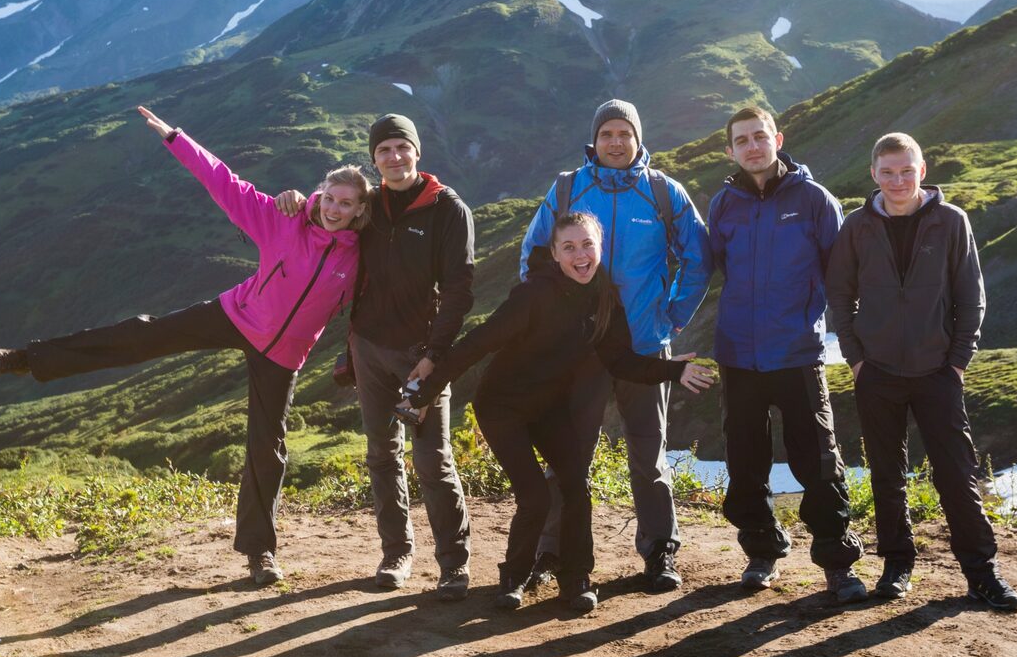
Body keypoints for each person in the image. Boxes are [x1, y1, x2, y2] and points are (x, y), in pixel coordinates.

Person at [0, 105, 367, 587]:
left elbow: (366, 313)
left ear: (359, 211)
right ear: (318, 195)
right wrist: (175, 138)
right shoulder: (282, 220)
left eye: (346, 203)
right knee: (145, 333)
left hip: (283, 353)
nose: (334, 208)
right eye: (330, 197)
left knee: (267, 448)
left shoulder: (359, 261)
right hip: (236, 315)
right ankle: (26, 358)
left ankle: (259, 555)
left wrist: (354, 361)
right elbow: (225, 182)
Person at [411, 211, 713, 613]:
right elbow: (477, 344)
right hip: (503, 408)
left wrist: (675, 369)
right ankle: (514, 578)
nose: (580, 255)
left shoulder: (605, 296)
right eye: (568, 247)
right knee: (535, 496)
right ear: (554, 253)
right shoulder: (532, 295)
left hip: (549, 409)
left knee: (576, 486)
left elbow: (621, 362)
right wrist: (427, 390)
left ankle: (576, 579)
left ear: (600, 248)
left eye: (587, 244)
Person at [276, 113, 475, 601]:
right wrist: (301, 202)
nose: (394, 157)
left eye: (401, 147)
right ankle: (396, 555)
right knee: (382, 455)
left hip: (420, 356)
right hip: (367, 348)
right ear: (374, 158)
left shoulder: (448, 209)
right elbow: (332, 216)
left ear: (417, 152)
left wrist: (434, 357)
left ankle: (453, 565)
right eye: (384, 150)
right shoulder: (370, 205)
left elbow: (459, 290)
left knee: (433, 460)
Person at [518, 99, 712, 592]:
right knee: (568, 452)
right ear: (595, 140)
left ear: (638, 138)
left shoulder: (663, 192)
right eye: (607, 133)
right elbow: (534, 255)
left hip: (645, 345)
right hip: (580, 350)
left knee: (649, 453)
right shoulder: (568, 187)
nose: (616, 142)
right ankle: (551, 551)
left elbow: (699, 257)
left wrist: (671, 314)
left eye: (625, 132)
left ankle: (660, 551)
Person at [824, 131, 1017, 611]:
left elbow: (970, 296)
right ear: (873, 174)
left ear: (923, 171)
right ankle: (896, 565)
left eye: (906, 171)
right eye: (888, 172)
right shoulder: (857, 226)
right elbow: (839, 294)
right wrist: (856, 358)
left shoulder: (951, 221)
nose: (898, 180)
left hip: (937, 372)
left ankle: (982, 572)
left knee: (957, 474)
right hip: (878, 373)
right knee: (887, 475)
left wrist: (957, 362)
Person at [706, 107, 866, 603]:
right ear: (730, 149)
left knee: (817, 460)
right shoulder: (723, 204)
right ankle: (763, 550)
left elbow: (842, 276)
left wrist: (854, 341)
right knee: (745, 459)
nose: (752, 146)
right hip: (737, 353)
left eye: (760, 136)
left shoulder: (815, 200)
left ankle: (837, 563)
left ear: (777, 138)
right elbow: (708, 268)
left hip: (798, 352)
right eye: (742, 140)